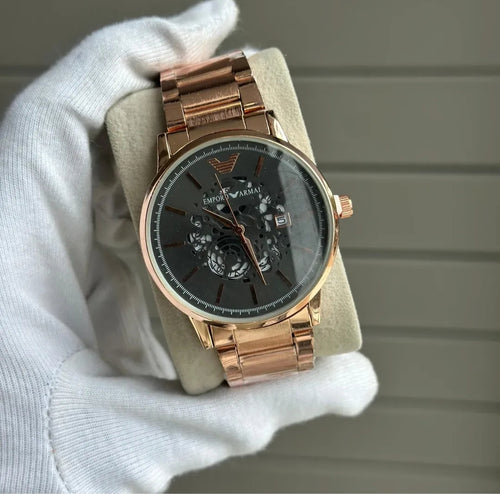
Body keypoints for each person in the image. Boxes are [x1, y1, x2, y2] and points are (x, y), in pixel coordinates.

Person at [0, 0, 378, 491]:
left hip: (263, 279)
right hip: (214, 290)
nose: (241, 231)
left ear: (332, 208)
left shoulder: (269, 145)